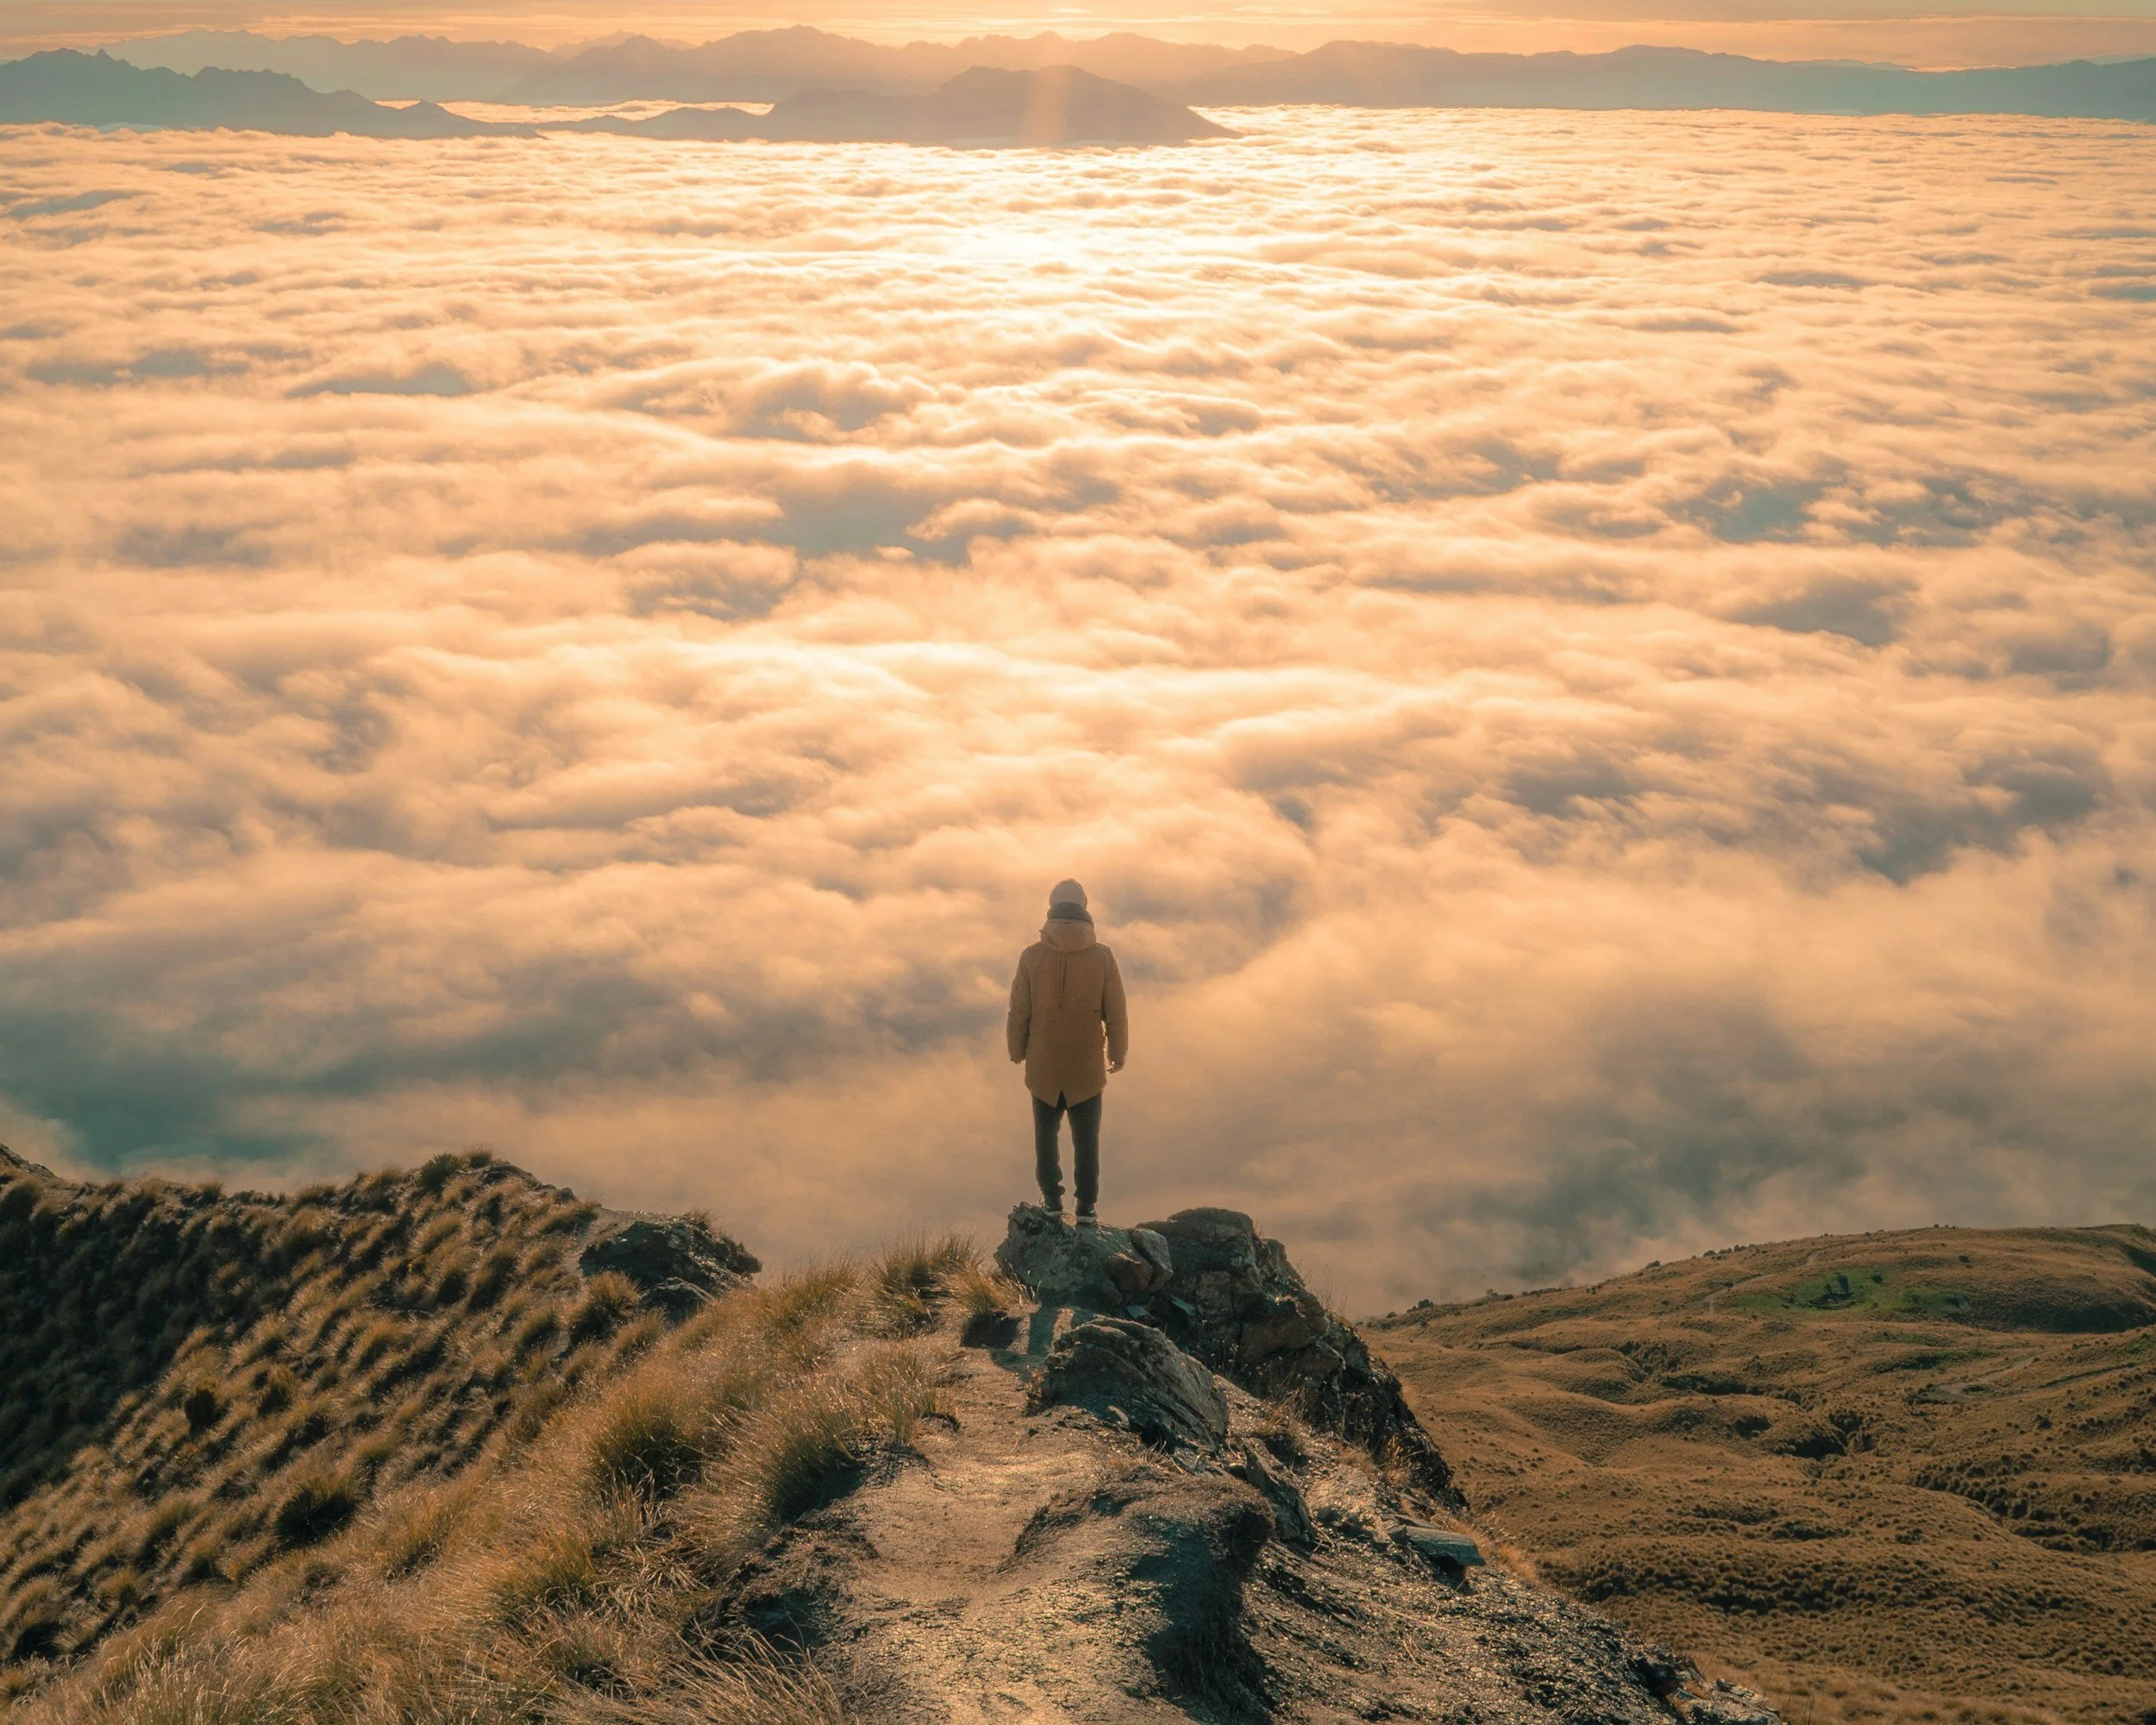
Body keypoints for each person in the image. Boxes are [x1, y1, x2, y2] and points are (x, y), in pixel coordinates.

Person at [1006, 879, 1128, 1224]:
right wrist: (1117, 1052)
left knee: (1046, 1137)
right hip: (1086, 1063)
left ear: (1051, 907)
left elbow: (1020, 1009)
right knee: (1086, 1140)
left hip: (1043, 1062)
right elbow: (1115, 1010)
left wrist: (1017, 1049)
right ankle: (1087, 1207)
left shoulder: (1031, 955)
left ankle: (1051, 1202)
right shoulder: (1102, 955)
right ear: (1084, 908)